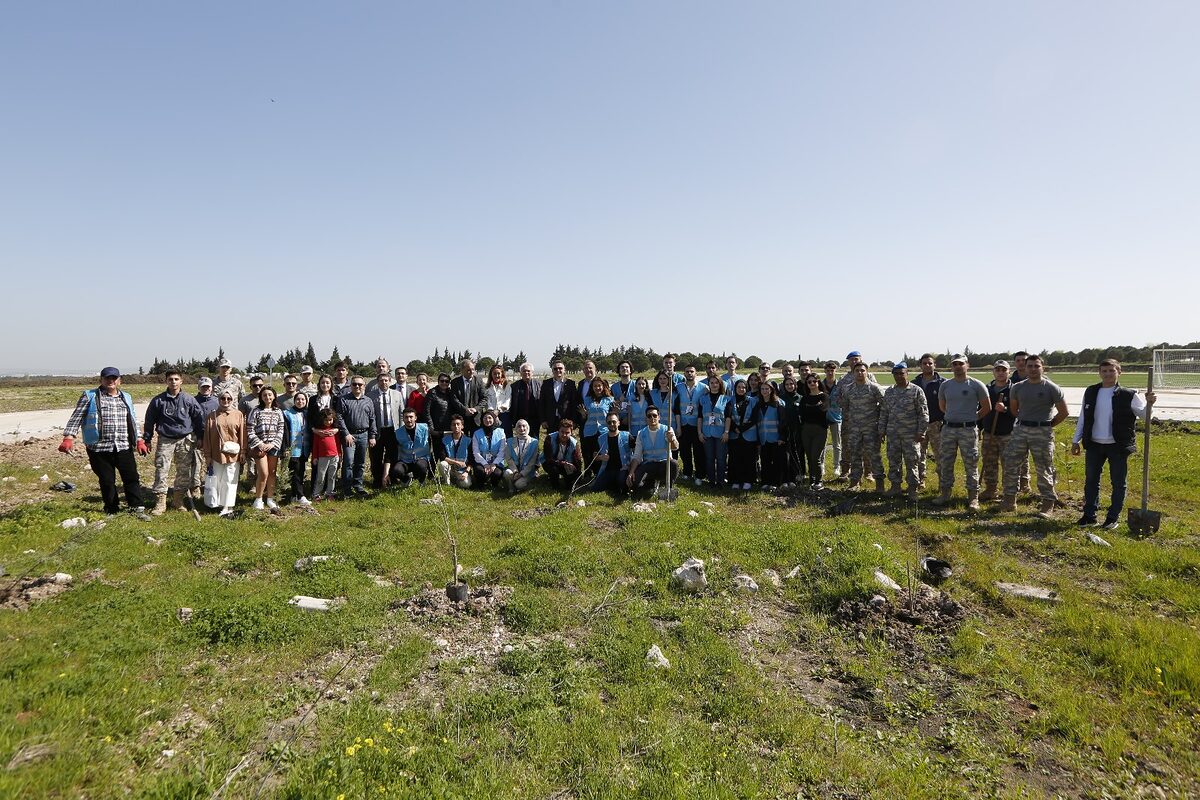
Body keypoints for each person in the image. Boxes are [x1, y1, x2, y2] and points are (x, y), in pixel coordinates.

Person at [1071, 359, 1154, 529]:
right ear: (1100, 373)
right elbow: (1083, 417)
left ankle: (1112, 517)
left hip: (1118, 446)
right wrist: (1076, 440)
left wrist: (1150, 404)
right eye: (1104, 371)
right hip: (1094, 444)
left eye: (1111, 370)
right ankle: (1089, 515)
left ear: (1119, 372)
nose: (1108, 374)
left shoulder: (1129, 394)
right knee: (1091, 481)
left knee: (1118, 482)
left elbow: (1147, 418)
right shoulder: (1092, 391)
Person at [59, 367, 147, 515]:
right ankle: (112, 509)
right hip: (99, 448)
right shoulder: (90, 396)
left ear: (119, 380)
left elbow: (132, 420)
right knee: (107, 480)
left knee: (131, 477)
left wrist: (139, 440)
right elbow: (76, 417)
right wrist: (68, 438)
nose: (110, 381)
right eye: (107, 378)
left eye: (114, 378)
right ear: (101, 380)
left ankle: (136, 508)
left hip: (123, 446)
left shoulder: (126, 397)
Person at [1002, 354, 1068, 518]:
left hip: (1042, 432)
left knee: (1044, 467)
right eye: (1029, 366)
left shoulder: (1051, 388)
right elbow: (1014, 410)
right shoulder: (1017, 387)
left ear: (1042, 368)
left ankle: (1047, 503)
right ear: (1025, 367)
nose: (1032, 369)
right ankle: (1010, 500)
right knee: (1011, 464)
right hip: (1021, 430)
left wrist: (1047, 425)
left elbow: (1064, 412)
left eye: (1036, 366)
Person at [141, 369, 205, 515]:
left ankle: (178, 500)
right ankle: (160, 503)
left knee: (183, 472)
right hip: (165, 440)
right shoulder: (158, 401)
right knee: (161, 470)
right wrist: (147, 439)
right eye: (170, 379)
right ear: (166, 381)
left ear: (181, 381)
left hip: (185, 440)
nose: (173, 382)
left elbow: (199, 419)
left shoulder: (189, 400)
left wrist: (200, 437)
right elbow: (149, 421)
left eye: (176, 379)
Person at [935, 355, 991, 509]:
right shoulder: (945, 385)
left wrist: (972, 418)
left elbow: (987, 407)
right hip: (948, 429)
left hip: (968, 430)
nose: (958, 367)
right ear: (951, 367)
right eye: (955, 364)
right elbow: (942, 406)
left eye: (961, 364)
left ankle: (973, 498)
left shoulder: (976, 385)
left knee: (971, 463)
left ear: (967, 365)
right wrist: (954, 417)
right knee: (946, 462)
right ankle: (945, 494)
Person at [879, 363, 929, 500]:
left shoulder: (916, 391)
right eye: (896, 374)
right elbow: (884, 412)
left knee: (912, 461)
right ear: (893, 375)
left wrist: (921, 431)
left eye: (902, 373)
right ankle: (895, 486)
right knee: (894, 460)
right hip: (893, 433)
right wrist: (881, 431)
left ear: (907, 374)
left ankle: (912, 489)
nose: (899, 376)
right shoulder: (889, 392)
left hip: (911, 434)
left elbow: (923, 413)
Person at [201, 388, 246, 516]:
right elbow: (207, 437)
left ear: (232, 400)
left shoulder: (238, 415)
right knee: (218, 479)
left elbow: (243, 434)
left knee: (230, 479)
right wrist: (208, 455)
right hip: (217, 454)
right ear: (219, 399)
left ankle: (228, 505)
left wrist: (243, 452)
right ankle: (217, 503)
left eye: (229, 398)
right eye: (223, 398)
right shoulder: (212, 416)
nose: (226, 401)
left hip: (234, 454)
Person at [840, 363, 886, 492]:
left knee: (874, 456)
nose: (860, 373)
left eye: (862, 370)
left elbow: (884, 407)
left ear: (867, 372)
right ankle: (855, 482)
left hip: (871, 428)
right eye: (857, 371)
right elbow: (845, 407)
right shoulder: (848, 389)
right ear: (853, 373)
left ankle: (879, 483)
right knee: (854, 455)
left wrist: (881, 427)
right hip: (854, 429)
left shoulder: (875, 388)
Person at [978, 360, 1016, 502]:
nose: (1000, 372)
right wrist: (979, 428)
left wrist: (1005, 409)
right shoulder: (986, 389)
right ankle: (990, 489)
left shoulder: (1014, 389)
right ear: (993, 372)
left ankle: (1009, 493)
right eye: (998, 370)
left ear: (1009, 372)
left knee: (1009, 464)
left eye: (1003, 370)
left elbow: (1019, 412)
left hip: (1008, 434)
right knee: (989, 462)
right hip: (989, 433)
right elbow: (980, 410)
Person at [836, 352, 877, 479]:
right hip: (850, 420)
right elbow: (837, 396)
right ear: (848, 362)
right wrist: (847, 407)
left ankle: (868, 472)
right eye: (851, 360)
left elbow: (877, 395)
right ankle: (845, 470)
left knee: (867, 447)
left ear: (861, 359)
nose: (854, 362)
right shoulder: (845, 378)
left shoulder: (869, 376)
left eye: (856, 359)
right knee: (847, 445)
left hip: (868, 419)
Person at [336, 376, 378, 497]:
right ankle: (347, 488)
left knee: (360, 462)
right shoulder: (343, 399)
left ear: (364, 386)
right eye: (355, 384)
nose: (357, 386)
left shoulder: (368, 400)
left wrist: (372, 435)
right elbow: (339, 417)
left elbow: (372, 418)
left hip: (364, 434)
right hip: (350, 435)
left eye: (360, 384)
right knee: (348, 462)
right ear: (351, 386)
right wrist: (346, 434)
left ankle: (358, 485)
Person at [247, 386, 285, 510]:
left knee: (272, 473)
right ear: (261, 397)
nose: (267, 397)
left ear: (274, 396)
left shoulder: (278, 411)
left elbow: (281, 429)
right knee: (263, 473)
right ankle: (258, 499)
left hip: (273, 446)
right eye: (264, 395)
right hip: (260, 447)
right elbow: (250, 429)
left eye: (269, 395)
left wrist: (273, 444)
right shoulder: (256, 410)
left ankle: (270, 498)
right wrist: (259, 444)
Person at [627, 407, 680, 494]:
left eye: (654, 415)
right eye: (649, 416)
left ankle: (667, 486)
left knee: (674, 464)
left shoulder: (667, 430)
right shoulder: (641, 433)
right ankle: (651, 483)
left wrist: (672, 440)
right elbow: (637, 456)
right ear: (646, 418)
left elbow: (675, 447)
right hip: (649, 465)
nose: (652, 418)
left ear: (659, 417)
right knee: (635, 485)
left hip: (664, 464)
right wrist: (631, 472)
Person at [912, 354, 946, 489]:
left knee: (940, 454)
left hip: (936, 424)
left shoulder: (943, 383)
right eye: (924, 363)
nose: (927, 365)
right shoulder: (915, 384)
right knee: (919, 454)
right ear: (920, 365)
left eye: (930, 363)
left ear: (934, 365)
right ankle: (921, 479)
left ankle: (943, 482)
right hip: (919, 425)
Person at [367, 373, 403, 489]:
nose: (384, 383)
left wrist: (401, 430)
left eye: (386, 380)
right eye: (381, 380)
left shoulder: (397, 394)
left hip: (393, 430)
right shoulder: (370, 396)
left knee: (392, 454)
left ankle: (391, 478)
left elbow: (401, 413)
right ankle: (377, 480)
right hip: (377, 429)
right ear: (378, 382)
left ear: (390, 381)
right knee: (375, 456)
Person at [696, 375, 730, 487]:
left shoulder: (726, 399)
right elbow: (700, 417)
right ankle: (711, 480)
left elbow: (728, 417)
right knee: (709, 458)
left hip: (721, 434)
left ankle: (720, 480)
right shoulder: (703, 399)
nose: (714, 385)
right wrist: (699, 433)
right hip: (707, 433)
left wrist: (726, 432)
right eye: (711, 383)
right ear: (709, 384)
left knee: (721, 458)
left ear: (720, 384)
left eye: (716, 382)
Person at [726, 379, 760, 490]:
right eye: (739, 387)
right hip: (734, 435)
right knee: (734, 458)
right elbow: (727, 416)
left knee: (749, 459)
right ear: (735, 389)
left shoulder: (753, 401)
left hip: (749, 435)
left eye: (744, 387)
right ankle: (735, 480)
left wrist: (742, 428)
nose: (741, 389)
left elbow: (755, 418)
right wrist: (734, 428)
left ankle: (748, 480)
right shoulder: (730, 400)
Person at [799, 374, 830, 490]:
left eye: (814, 381)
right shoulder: (804, 398)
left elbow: (822, 411)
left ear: (818, 382)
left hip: (820, 430)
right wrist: (815, 407)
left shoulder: (825, 397)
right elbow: (802, 413)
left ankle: (819, 481)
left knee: (815, 456)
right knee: (809, 456)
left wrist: (812, 408)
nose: (812, 383)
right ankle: (811, 480)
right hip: (806, 429)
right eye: (809, 382)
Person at [676, 365, 706, 483]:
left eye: (692, 371)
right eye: (687, 371)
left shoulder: (704, 388)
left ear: (696, 373)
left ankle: (699, 475)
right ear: (684, 373)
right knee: (684, 451)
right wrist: (678, 426)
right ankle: (687, 472)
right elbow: (677, 408)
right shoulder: (678, 387)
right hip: (684, 424)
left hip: (697, 424)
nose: (689, 373)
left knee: (698, 451)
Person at [592, 411, 633, 495]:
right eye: (609, 422)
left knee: (621, 484)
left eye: (614, 422)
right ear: (606, 424)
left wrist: (630, 467)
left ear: (618, 423)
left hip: (623, 469)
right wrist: (601, 457)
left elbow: (637, 452)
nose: (611, 424)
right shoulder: (601, 438)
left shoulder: (627, 436)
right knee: (595, 489)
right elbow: (594, 456)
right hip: (608, 470)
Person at [192, 376, 219, 502]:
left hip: (213, 437)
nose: (205, 389)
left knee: (212, 462)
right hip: (197, 436)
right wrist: (198, 437)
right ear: (199, 388)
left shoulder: (217, 401)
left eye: (208, 387)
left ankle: (211, 485)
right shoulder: (192, 401)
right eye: (203, 387)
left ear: (211, 388)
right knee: (196, 463)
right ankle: (196, 486)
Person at [282, 389, 311, 505]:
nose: (300, 401)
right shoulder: (287, 413)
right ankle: (300, 495)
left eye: (303, 399)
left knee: (300, 471)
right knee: (295, 471)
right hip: (293, 448)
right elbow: (285, 432)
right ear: (294, 401)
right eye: (298, 399)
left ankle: (294, 495)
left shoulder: (307, 413)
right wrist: (286, 448)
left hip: (304, 448)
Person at [579, 377, 614, 473]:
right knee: (591, 454)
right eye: (595, 386)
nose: (597, 388)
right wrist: (583, 414)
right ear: (592, 388)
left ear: (603, 386)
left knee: (603, 454)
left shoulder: (609, 400)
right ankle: (593, 474)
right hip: (590, 431)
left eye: (599, 385)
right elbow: (585, 417)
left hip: (604, 431)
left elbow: (612, 415)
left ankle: (603, 474)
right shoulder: (587, 399)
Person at [539, 361, 577, 449]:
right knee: (551, 443)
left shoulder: (571, 384)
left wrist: (574, 421)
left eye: (560, 368)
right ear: (552, 371)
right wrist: (543, 420)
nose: (558, 370)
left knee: (566, 444)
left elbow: (574, 403)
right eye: (555, 369)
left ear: (564, 370)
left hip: (566, 420)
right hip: (550, 420)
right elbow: (542, 403)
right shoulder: (546, 384)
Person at [392, 408, 434, 485]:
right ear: (403, 419)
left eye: (411, 417)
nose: (409, 419)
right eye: (406, 417)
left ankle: (421, 480)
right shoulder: (397, 433)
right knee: (396, 470)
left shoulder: (425, 428)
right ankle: (406, 479)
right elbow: (392, 451)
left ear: (415, 418)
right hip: (405, 460)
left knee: (421, 467)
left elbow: (437, 435)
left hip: (421, 458)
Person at [756, 382, 786, 490]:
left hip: (776, 438)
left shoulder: (778, 403)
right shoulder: (759, 404)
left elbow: (783, 421)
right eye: (762, 389)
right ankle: (765, 482)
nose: (764, 391)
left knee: (776, 462)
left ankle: (775, 483)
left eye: (767, 389)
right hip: (763, 438)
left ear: (771, 390)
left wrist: (782, 437)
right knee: (765, 461)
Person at [310, 408, 342, 502]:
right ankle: (316, 494)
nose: (328, 422)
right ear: (321, 420)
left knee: (332, 476)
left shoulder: (334, 431)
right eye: (326, 420)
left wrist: (340, 455)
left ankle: (330, 493)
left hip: (334, 456)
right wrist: (315, 457)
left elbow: (338, 443)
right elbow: (315, 445)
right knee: (321, 476)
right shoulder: (319, 432)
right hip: (322, 457)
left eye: (330, 420)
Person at [423, 373, 467, 442]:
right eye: (442, 381)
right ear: (438, 381)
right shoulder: (432, 393)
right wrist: (431, 427)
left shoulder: (451, 393)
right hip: (437, 428)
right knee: (439, 450)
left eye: (446, 381)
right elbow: (426, 411)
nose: (444, 383)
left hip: (451, 427)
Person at [778, 375, 804, 488]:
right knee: (785, 455)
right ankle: (785, 478)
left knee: (798, 453)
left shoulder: (800, 398)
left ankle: (798, 476)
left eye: (791, 384)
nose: (789, 386)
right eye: (787, 384)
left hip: (798, 430)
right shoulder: (780, 399)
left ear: (795, 385)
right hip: (784, 430)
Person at [542, 419, 582, 490]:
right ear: (558, 431)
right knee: (553, 470)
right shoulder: (549, 438)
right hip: (550, 463)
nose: (564, 435)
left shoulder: (574, 443)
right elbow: (548, 459)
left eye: (567, 433)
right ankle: (555, 486)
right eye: (562, 432)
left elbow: (578, 462)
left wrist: (575, 472)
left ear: (571, 433)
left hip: (566, 464)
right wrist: (561, 463)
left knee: (571, 482)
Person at [471, 409, 507, 488]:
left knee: (496, 473)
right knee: (480, 471)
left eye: (490, 418)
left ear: (494, 419)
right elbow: (476, 452)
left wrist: (494, 464)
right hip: (481, 461)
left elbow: (502, 451)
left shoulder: (501, 432)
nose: (487, 420)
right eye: (485, 418)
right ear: (482, 420)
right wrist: (485, 464)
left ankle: (494, 484)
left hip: (497, 461)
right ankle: (481, 483)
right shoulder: (476, 433)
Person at [502, 419, 540, 493]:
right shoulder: (509, 441)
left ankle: (524, 484)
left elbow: (532, 462)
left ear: (527, 428)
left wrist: (522, 474)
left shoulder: (534, 442)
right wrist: (515, 472)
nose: (522, 428)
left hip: (527, 472)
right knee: (507, 473)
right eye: (519, 426)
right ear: (516, 429)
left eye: (524, 426)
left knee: (519, 484)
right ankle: (511, 488)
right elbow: (509, 459)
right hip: (514, 470)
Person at [451, 359, 487, 432]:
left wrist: (475, 409)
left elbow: (484, 398)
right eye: (468, 370)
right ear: (462, 370)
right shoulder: (455, 382)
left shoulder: (479, 381)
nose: (471, 372)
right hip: (461, 419)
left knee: (475, 442)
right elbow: (454, 399)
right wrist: (465, 410)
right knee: (463, 442)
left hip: (476, 418)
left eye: (473, 369)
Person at [438, 415, 473, 489]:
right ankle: (448, 483)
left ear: (462, 426)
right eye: (454, 424)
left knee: (466, 485)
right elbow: (442, 457)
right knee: (442, 464)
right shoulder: (444, 440)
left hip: (462, 470)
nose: (456, 426)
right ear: (451, 427)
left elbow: (471, 459)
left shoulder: (468, 441)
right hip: (450, 468)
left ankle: (456, 480)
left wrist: (466, 472)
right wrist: (456, 462)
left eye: (458, 424)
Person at [821, 361, 843, 478]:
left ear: (835, 371)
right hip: (823, 417)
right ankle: (822, 466)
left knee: (837, 444)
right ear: (825, 371)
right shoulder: (820, 384)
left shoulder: (840, 385)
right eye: (828, 370)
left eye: (832, 370)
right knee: (822, 443)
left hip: (836, 417)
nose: (830, 373)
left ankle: (836, 467)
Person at [509, 363, 541, 439]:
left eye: (528, 371)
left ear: (532, 372)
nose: (526, 373)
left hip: (534, 420)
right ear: (520, 373)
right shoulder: (514, 386)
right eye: (524, 371)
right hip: (519, 418)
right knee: (520, 440)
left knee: (534, 441)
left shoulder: (540, 385)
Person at [485, 365, 513, 435]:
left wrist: (499, 411)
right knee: (493, 436)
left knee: (507, 436)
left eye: (498, 374)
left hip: (504, 415)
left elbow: (507, 401)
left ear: (502, 374)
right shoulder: (487, 388)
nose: (496, 376)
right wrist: (493, 413)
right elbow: (487, 401)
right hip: (491, 416)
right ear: (491, 375)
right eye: (494, 374)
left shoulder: (507, 386)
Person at [610, 360, 634, 429]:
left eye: (627, 367)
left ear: (630, 370)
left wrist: (629, 417)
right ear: (619, 371)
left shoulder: (636, 385)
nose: (624, 368)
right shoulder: (614, 387)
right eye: (622, 367)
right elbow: (611, 403)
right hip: (618, 421)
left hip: (633, 420)